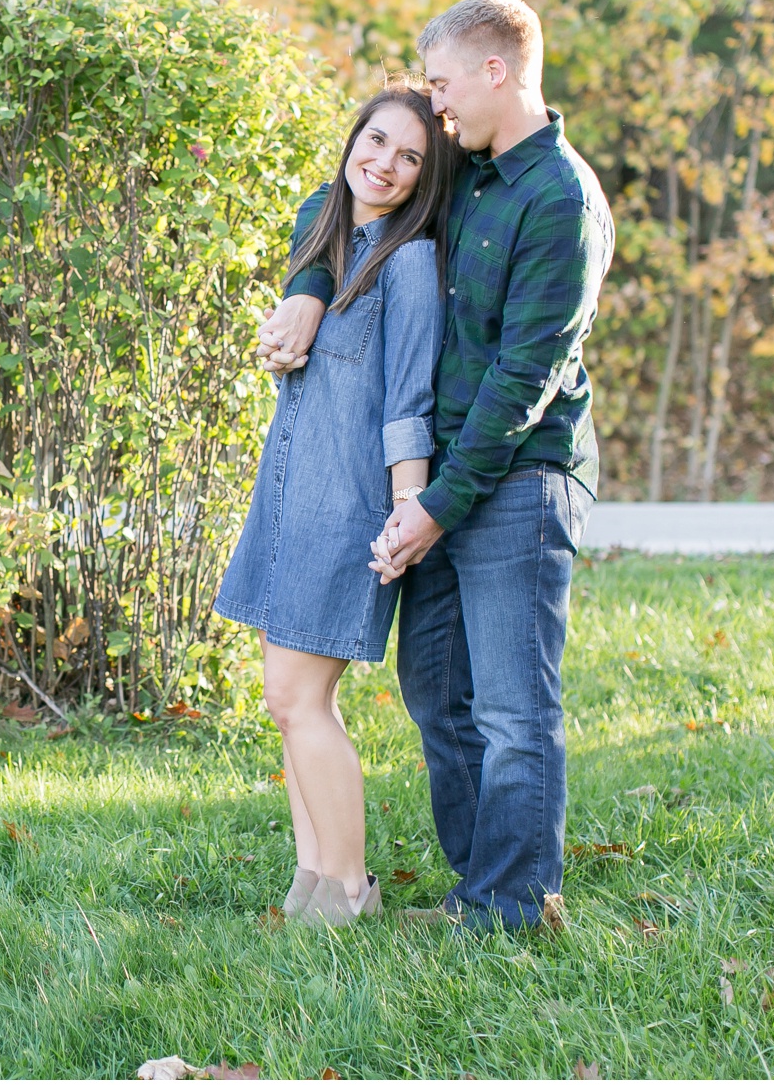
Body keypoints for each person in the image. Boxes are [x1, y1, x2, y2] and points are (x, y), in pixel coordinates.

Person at [258, 0, 614, 933]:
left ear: (497, 71)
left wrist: (433, 505)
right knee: (437, 698)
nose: (437, 106)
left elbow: (522, 379)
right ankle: (478, 893)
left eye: (448, 85)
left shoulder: (559, 199)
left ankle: (517, 907)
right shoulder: (472, 174)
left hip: (515, 479)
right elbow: (350, 205)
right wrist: (306, 286)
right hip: (445, 482)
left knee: (510, 710)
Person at [214, 76, 453, 928]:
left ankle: (348, 889)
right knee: (290, 702)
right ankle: (310, 878)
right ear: (353, 137)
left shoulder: (411, 264)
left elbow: (407, 403)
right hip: (287, 496)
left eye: (410, 157)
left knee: (299, 697)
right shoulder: (325, 236)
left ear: (426, 180)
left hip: (347, 510)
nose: (385, 163)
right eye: (377, 140)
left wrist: (406, 508)